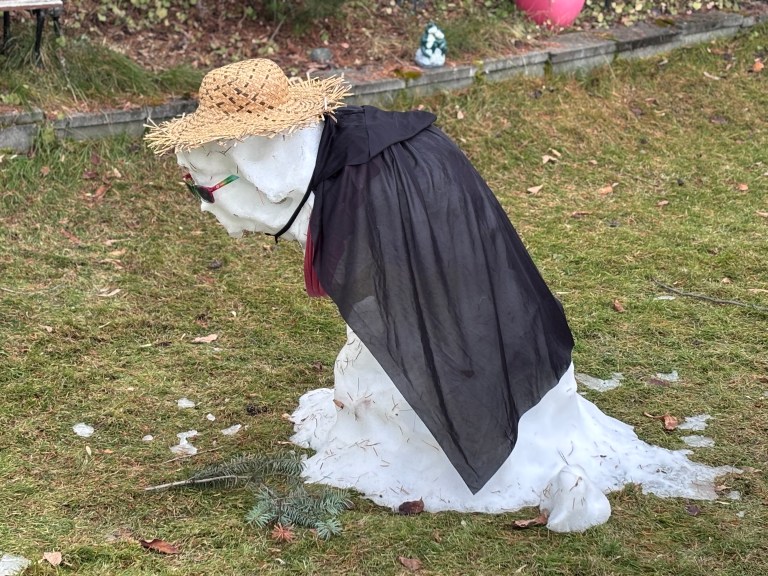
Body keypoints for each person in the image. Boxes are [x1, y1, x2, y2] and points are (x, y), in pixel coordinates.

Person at [146, 59, 733, 531]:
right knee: (432, 302)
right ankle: (449, 379)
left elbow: (276, 196)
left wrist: (221, 190)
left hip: (408, 193)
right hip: (423, 172)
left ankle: (461, 415)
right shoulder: (328, 134)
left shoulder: (283, 152)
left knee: (427, 312)